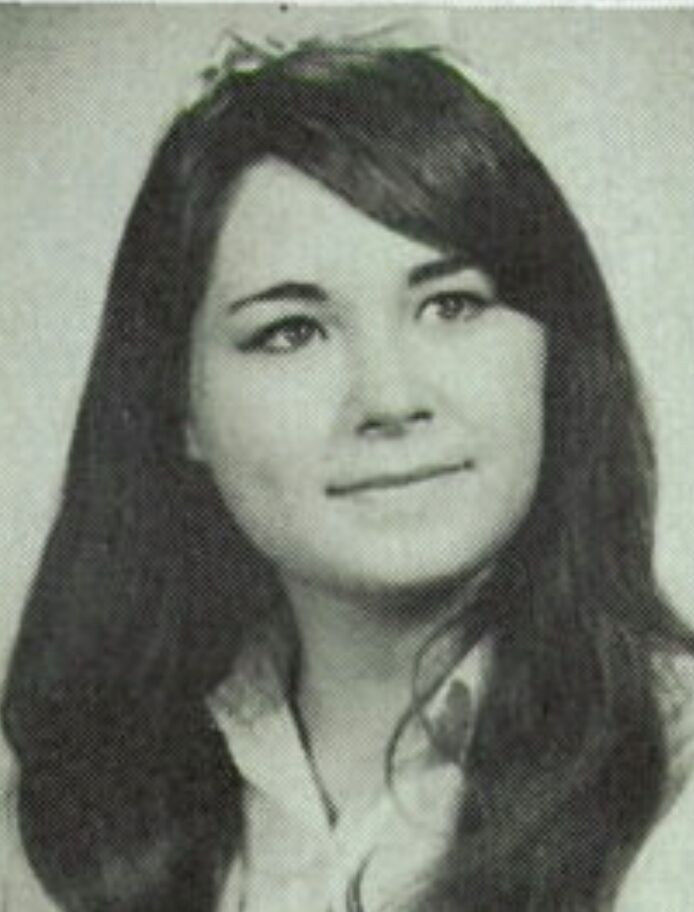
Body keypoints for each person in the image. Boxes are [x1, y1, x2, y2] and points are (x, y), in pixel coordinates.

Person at [2, 35, 693, 912]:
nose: (392, 397)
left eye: (453, 305)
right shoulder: (72, 817)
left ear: (554, 355)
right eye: (292, 330)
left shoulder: (675, 779)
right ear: (178, 408)